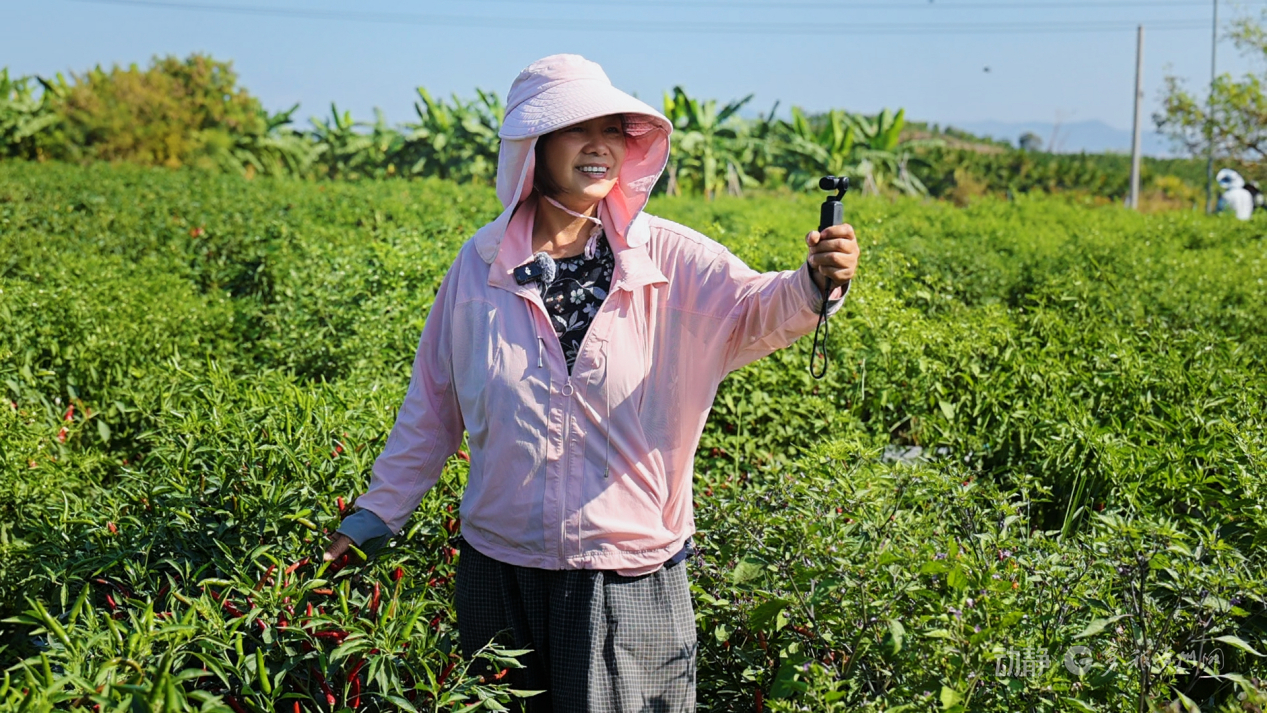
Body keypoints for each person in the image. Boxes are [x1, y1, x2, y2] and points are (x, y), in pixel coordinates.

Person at [322, 53, 860, 711]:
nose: (600, 145)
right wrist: (375, 516)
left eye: (613, 130)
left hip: (621, 574)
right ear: (534, 148)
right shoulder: (483, 262)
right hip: (498, 569)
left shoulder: (666, 255)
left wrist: (817, 279)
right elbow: (433, 407)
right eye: (578, 128)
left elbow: (758, 306)